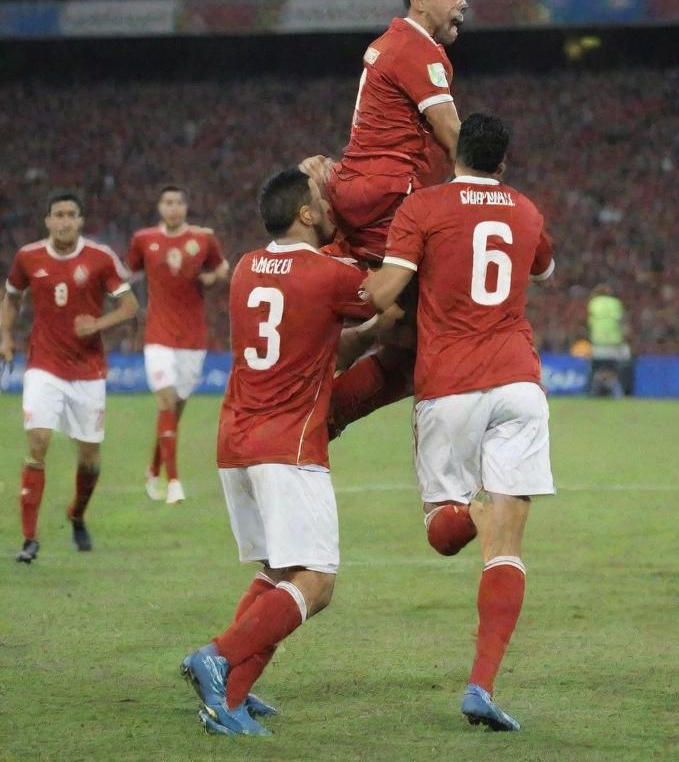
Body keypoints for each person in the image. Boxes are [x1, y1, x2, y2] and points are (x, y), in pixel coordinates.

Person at [364, 113, 555, 732]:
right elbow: (544, 270)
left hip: (448, 385)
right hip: (519, 384)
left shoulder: (424, 208)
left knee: (445, 534)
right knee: (507, 546)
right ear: (503, 161)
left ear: (456, 153)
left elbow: (389, 289)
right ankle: (481, 683)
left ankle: (475, 507)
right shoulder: (526, 210)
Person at [180, 168, 385, 737]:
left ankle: (232, 696)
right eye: (321, 200)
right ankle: (218, 657)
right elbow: (384, 295)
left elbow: (317, 335)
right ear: (305, 215)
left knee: (279, 570)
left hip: (236, 439)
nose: (328, 204)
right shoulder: (327, 273)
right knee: (315, 582)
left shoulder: (246, 267)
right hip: (288, 445)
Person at [300, 0, 469, 434]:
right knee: (432, 333)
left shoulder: (387, 44)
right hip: (390, 197)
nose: (463, 3)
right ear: (419, 0)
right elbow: (453, 134)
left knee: (403, 326)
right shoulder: (420, 50)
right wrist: (486, 191)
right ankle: (317, 415)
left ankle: (340, 357)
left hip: (360, 189)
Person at [1, 193, 138, 562]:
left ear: (81, 221)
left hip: (88, 371)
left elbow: (129, 306)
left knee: (90, 457)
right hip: (43, 366)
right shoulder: (28, 257)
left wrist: (98, 322)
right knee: (39, 441)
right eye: (58, 215)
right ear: (47, 220)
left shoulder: (99, 257)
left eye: (71, 215)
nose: (64, 221)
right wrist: (5, 336)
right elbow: (11, 296)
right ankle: (29, 540)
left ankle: (77, 515)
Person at [125, 185, 229, 504]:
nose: (173, 208)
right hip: (158, 335)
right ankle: (174, 482)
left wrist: (212, 278)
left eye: (178, 203)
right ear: (159, 207)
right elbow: (127, 274)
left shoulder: (203, 239)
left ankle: (153, 469)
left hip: (193, 337)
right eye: (167, 202)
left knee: (175, 409)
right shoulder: (143, 240)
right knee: (167, 402)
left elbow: (222, 267)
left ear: (185, 207)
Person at [587, 283, 632, 396]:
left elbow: (590, 322)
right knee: (614, 368)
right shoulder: (615, 303)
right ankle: (618, 392)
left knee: (599, 368)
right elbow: (621, 321)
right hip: (614, 342)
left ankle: (595, 391)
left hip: (598, 342)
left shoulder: (593, 303)